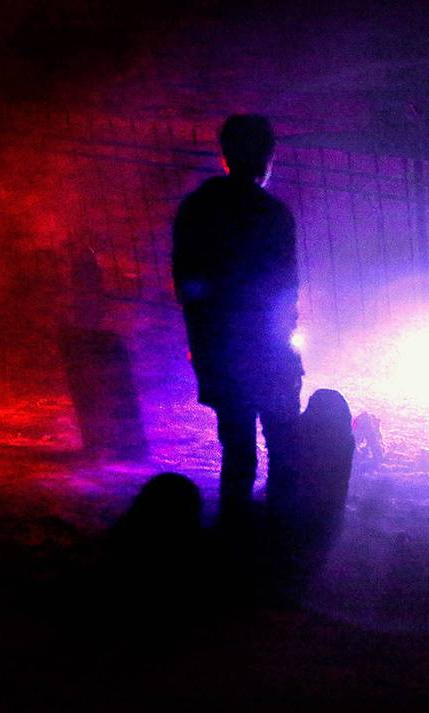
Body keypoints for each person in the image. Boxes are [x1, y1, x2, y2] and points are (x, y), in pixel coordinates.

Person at [172, 114, 303, 524]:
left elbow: (187, 284)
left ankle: (232, 528)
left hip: (220, 346)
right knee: (282, 440)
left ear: (224, 155)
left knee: (237, 443)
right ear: (267, 157)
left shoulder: (197, 209)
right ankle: (281, 532)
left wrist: (202, 341)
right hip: (265, 345)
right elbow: (285, 288)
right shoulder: (272, 215)